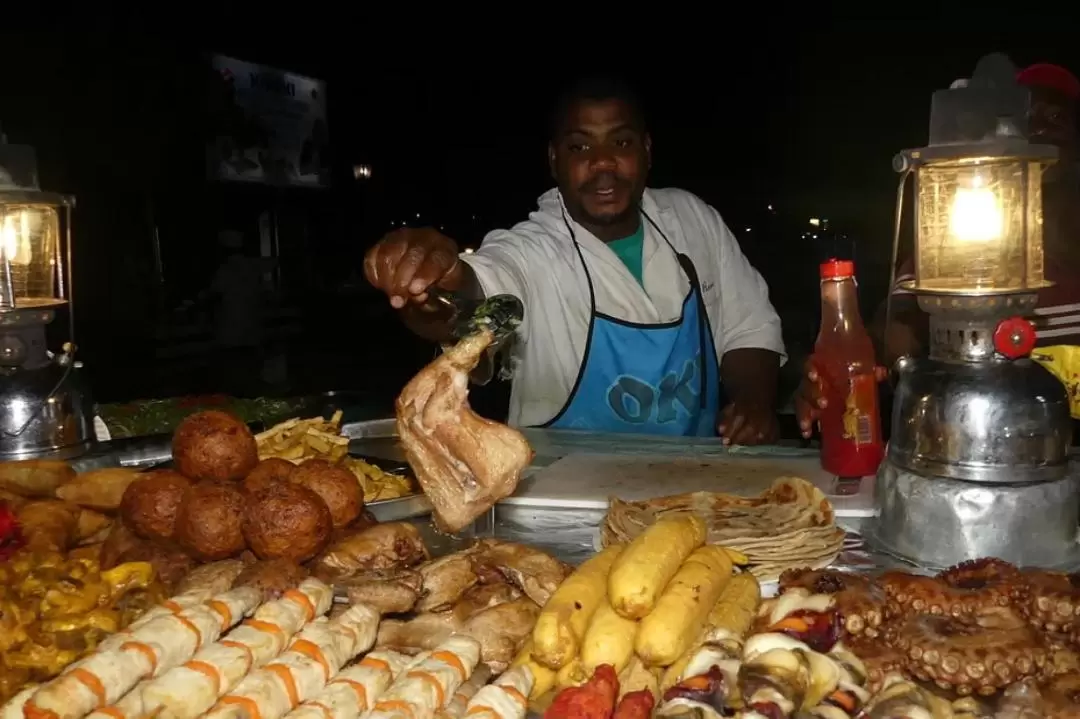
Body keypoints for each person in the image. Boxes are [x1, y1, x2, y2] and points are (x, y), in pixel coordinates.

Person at [364, 76, 786, 442]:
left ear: (647, 150)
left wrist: (752, 403)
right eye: (579, 146)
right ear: (554, 161)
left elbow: (748, 325)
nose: (602, 162)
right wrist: (437, 281)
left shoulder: (692, 220)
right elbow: (474, 296)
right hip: (564, 500)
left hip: (699, 483)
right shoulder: (534, 249)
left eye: (620, 142)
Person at [796, 62, 1080, 437]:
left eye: (1057, 115)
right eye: (1029, 116)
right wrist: (846, 370)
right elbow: (894, 327)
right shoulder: (959, 248)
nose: (1043, 125)